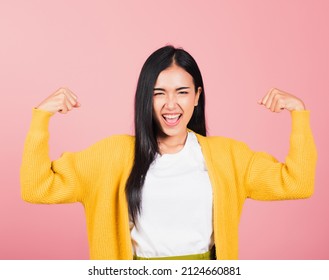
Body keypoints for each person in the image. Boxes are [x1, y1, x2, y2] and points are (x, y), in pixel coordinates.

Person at [20, 45, 317, 260]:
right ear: (144, 98)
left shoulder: (227, 156)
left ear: (198, 97)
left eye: (182, 92)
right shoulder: (112, 156)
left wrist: (299, 114)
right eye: (159, 93)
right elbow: (37, 188)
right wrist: (40, 118)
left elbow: (297, 184)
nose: (171, 104)